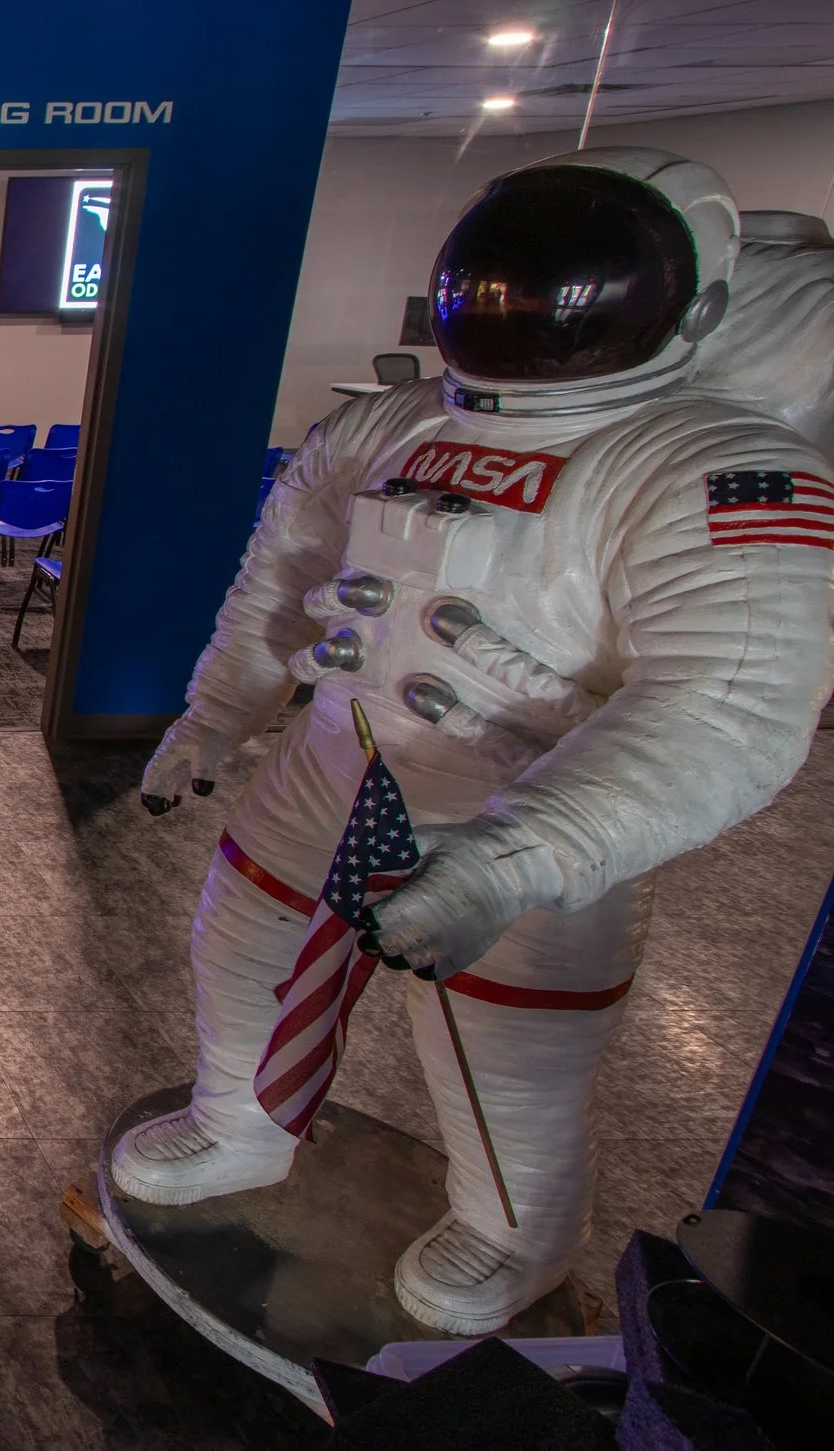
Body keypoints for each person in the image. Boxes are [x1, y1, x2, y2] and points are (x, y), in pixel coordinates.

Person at [117, 148, 834, 1335]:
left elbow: (725, 704)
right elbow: (281, 585)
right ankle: (241, 1122)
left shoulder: (716, 465)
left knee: (508, 1053)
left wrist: (514, 855)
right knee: (242, 943)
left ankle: (514, 1232)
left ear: (688, 300)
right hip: (336, 759)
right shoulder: (388, 425)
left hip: (532, 799)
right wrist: (213, 718)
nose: (524, 310)